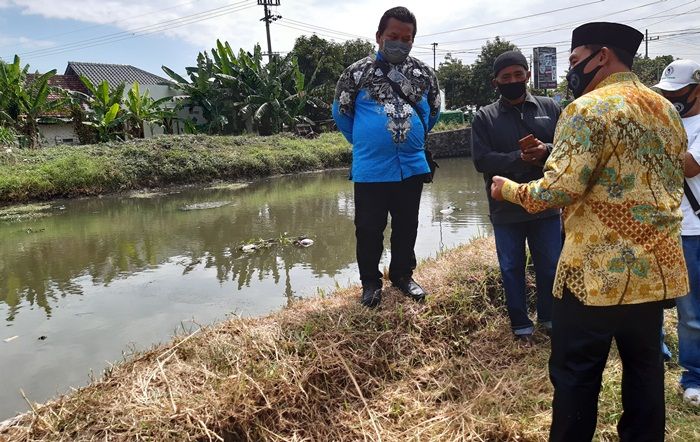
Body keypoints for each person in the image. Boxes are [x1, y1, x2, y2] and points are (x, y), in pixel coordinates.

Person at [490, 22, 689, 442]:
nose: (571, 71)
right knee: (645, 369)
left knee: (577, 374)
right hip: (653, 271)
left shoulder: (585, 109)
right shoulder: (665, 109)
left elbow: (560, 190)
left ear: (602, 56)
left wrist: (507, 189)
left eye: (575, 61)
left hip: (594, 276)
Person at [332, 6, 440, 308]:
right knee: (368, 229)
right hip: (370, 168)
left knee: (407, 225)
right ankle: (370, 284)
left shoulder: (423, 73)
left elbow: (433, 110)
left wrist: (412, 137)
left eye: (407, 38)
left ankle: (403, 276)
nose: (400, 42)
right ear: (379, 36)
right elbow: (341, 112)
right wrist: (368, 140)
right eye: (393, 36)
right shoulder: (356, 72)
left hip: (412, 166)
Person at [471, 50, 562, 344]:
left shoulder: (550, 107)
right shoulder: (484, 117)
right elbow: (482, 161)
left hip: (546, 205)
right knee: (511, 267)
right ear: (495, 81)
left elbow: (566, 151)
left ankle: (549, 319)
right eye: (506, 77)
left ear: (528, 75)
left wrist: (545, 150)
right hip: (505, 207)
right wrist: (520, 158)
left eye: (518, 74)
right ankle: (521, 326)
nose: (513, 80)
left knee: (550, 265)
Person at [654, 59, 700, 407]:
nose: (671, 100)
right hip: (662, 226)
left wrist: (652, 145)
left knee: (691, 311)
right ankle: (656, 351)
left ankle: (693, 375)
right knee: (652, 295)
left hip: (692, 229)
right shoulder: (665, 122)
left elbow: (688, 165)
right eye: (665, 94)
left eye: (677, 93)